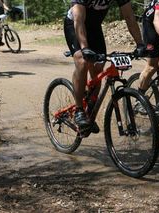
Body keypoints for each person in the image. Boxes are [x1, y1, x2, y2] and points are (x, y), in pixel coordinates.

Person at [64, 0, 145, 132]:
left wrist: (140, 44)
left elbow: (129, 17)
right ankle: (79, 110)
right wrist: (84, 48)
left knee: (98, 68)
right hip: (74, 25)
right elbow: (78, 21)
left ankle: (89, 112)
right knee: (82, 62)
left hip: (94, 28)